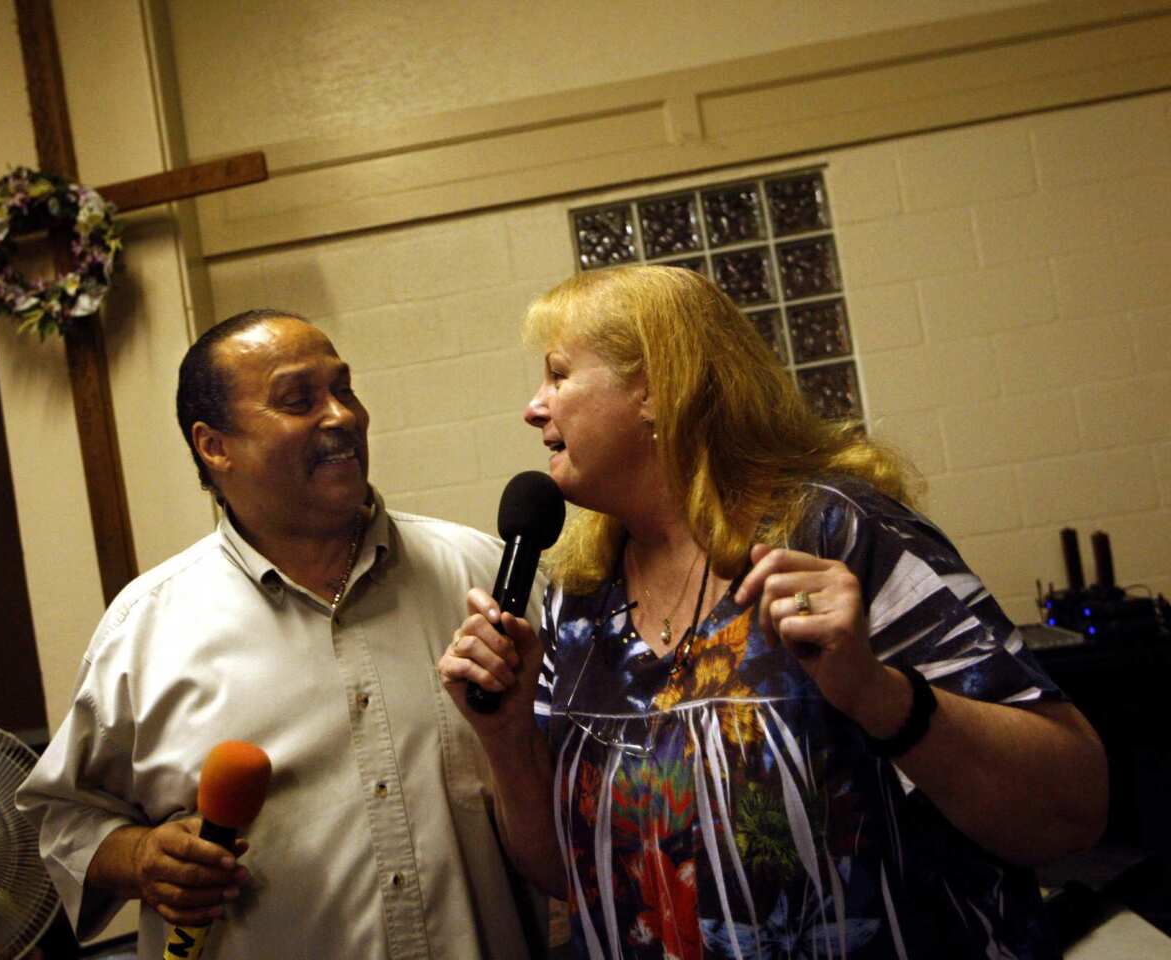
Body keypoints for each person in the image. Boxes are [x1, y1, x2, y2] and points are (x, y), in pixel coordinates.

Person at [437, 266, 1108, 959]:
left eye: (558, 375)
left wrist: (877, 693)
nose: (534, 408)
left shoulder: (835, 533)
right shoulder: (580, 595)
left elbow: (1071, 809)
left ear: (656, 390)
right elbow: (572, 878)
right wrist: (508, 740)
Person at [17, 309, 542, 960]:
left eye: (344, 389)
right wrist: (139, 855)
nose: (342, 416)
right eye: (299, 400)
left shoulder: (483, 579)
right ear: (215, 446)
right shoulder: (145, 629)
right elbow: (63, 818)